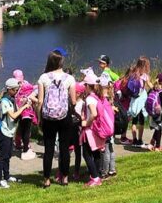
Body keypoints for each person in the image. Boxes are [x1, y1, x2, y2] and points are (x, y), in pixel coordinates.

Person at [37, 49, 77, 188]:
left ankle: (47, 179)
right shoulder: (69, 78)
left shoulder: (43, 78)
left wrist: (39, 118)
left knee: (48, 149)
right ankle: (64, 178)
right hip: (64, 117)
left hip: (48, 117)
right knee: (64, 148)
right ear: (61, 62)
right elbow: (73, 101)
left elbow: (40, 101)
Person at [0, 78, 32, 188]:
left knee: (8, 155)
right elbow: (14, 115)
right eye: (15, 90)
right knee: (3, 156)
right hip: (4, 132)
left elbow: (15, 112)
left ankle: (6, 176)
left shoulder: (10, 100)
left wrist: (23, 104)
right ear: (9, 89)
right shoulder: (4, 101)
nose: (16, 92)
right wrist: (25, 107)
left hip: (10, 132)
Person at [78, 73, 106, 187]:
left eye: (85, 85)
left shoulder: (89, 98)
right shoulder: (97, 96)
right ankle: (97, 174)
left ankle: (95, 178)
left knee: (86, 154)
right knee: (96, 153)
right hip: (97, 130)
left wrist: (86, 123)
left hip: (90, 130)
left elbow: (93, 113)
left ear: (88, 86)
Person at [125, 57, 152, 147]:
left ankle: (134, 140)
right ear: (145, 65)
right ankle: (140, 140)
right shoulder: (144, 75)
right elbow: (150, 85)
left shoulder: (133, 73)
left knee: (134, 121)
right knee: (141, 121)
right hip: (141, 100)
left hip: (134, 100)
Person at [11, 69, 38, 160]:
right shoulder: (27, 85)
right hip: (27, 111)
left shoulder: (13, 87)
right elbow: (34, 90)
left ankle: (18, 143)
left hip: (18, 111)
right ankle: (25, 148)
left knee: (21, 128)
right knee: (26, 130)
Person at [99, 74, 118, 177]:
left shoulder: (104, 99)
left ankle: (104, 171)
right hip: (111, 127)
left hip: (105, 128)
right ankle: (112, 169)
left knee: (105, 150)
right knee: (111, 149)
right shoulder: (111, 96)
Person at [146, 73, 162, 151]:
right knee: (159, 129)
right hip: (159, 113)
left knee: (157, 128)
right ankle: (157, 147)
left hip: (152, 112)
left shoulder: (152, 89)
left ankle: (151, 144)